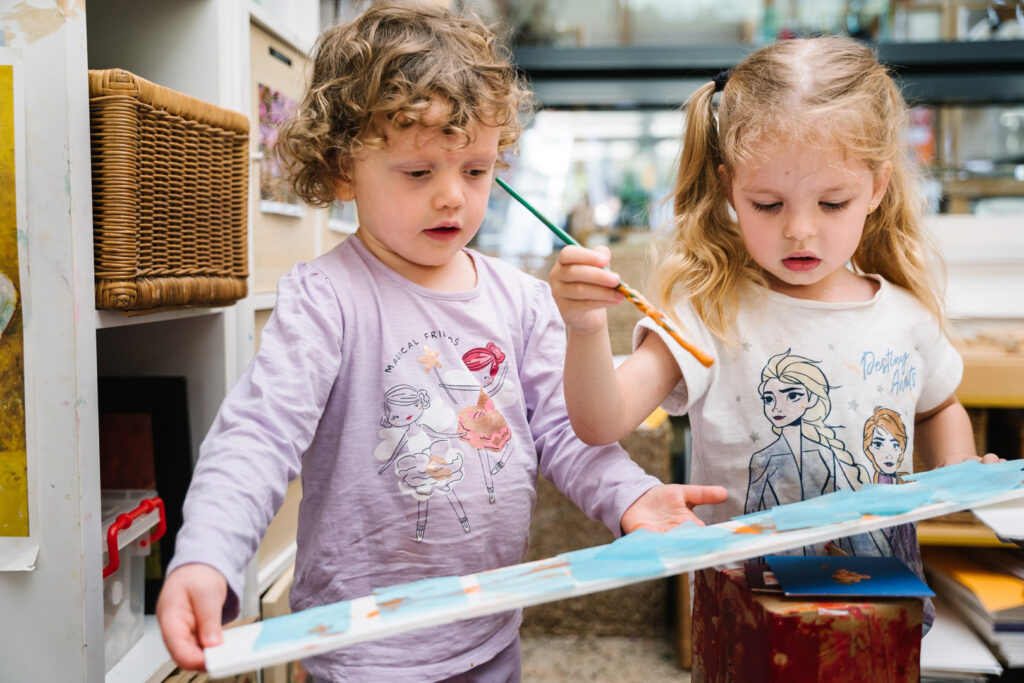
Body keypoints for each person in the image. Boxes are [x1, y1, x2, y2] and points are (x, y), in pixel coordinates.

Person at [155, 3, 727, 681]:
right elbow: (257, 434)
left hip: (490, 636)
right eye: (419, 173)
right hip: (362, 653)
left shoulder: (519, 299)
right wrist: (207, 554)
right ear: (343, 168)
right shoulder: (325, 297)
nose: (453, 197)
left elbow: (568, 434)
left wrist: (633, 495)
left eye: (478, 170)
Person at [549, 34, 1000, 632]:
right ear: (729, 187)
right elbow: (600, 424)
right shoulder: (708, 310)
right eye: (767, 204)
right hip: (748, 613)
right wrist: (584, 328)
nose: (800, 231)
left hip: (880, 603)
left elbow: (938, 408)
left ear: (878, 188)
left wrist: (957, 470)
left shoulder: (905, 314)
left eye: (833, 202)